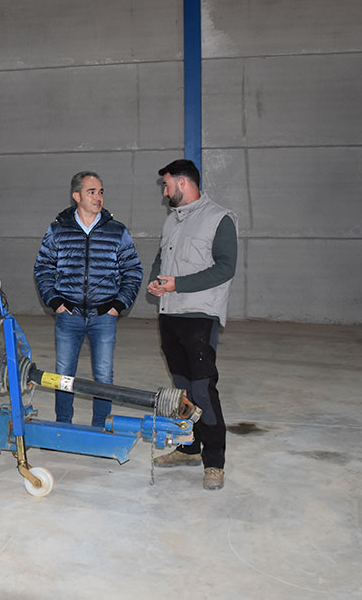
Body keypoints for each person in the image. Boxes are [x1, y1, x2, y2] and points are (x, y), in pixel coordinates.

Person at [147, 159, 238, 491]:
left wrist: (178, 285)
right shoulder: (172, 220)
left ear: (183, 184)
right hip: (169, 314)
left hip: (200, 316)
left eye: (167, 184)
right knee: (183, 389)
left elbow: (226, 267)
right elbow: (161, 257)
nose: (165, 191)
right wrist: (159, 281)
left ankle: (214, 462)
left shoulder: (219, 219)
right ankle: (189, 447)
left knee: (202, 389)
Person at [34, 171, 143, 428]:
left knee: (103, 375)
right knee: (63, 375)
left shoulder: (117, 231)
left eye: (101, 191)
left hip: (103, 316)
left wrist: (118, 305)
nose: (98, 197)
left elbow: (133, 270)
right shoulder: (58, 230)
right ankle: (63, 425)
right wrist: (55, 301)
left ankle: (100, 426)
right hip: (68, 315)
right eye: (91, 192)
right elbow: (43, 268)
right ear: (77, 196)